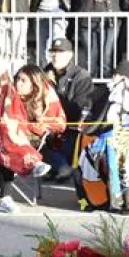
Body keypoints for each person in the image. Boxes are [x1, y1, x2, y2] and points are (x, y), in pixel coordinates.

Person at [0, 65, 65, 213]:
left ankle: (6, 197)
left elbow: (60, 123)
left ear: (35, 84)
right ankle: (7, 197)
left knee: (8, 141)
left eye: (23, 80)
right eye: (17, 79)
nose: (18, 83)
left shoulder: (47, 95)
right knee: (5, 138)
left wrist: (40, 123)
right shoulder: (9, 94)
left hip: (33, 138)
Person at [43, 38, 94, 182]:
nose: (55, 55)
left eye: (60, 52)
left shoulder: (81, 76)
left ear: (70, 55)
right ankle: (58, 166)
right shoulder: (43, 74)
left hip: (71, 126)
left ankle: (60, 166)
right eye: (53, 51)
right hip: (48, 124)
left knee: (69, 142)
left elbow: (80, 107)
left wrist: (54, 90)